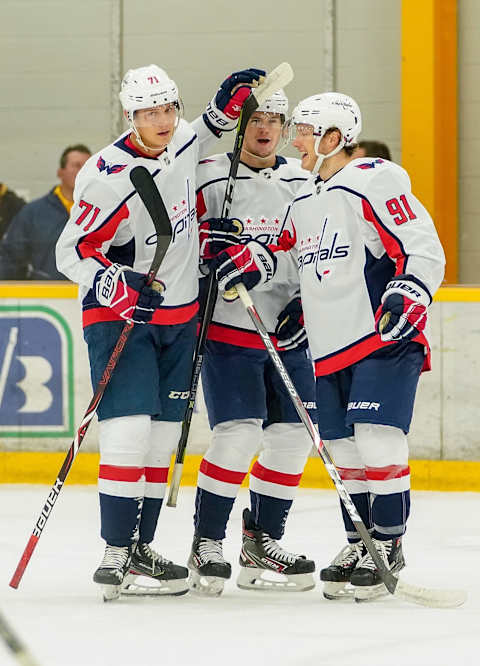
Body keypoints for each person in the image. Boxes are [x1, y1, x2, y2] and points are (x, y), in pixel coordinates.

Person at [209, 92, 445, 602]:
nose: (295, 140)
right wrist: (252, 263)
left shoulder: (374, 179)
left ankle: (388, 540)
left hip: (381, 336)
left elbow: (421, 243)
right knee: (343, 452)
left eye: (304, 131)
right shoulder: (307, 197)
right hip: (330, 346)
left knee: (378, 438)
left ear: (334, 138)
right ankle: (359, 542)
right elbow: (288, 256)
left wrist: (412, 290)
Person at [55, 63, 265, 600]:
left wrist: (230, 98)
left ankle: (142, 547)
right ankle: (114, 551)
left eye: (169, 108)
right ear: (131, 116)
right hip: (123, 315)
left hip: (180, 314)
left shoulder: (183, 138)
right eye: (151, 112)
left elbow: (211, 126)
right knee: (127, 430)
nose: (164, 120)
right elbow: (70, 251)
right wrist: (115, 284)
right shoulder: (106, 173)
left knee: (164, 437)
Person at [188, 90, 316, 596]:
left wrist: (306, 303)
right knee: (237, 435)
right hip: (228, 328)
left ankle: (262, 540)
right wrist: (205, 247)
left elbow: (315, 248)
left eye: (273, 119)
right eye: (253, 117)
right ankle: (206, 543)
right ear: (239, 123)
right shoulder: (207, 173)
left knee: (293, 438)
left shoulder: (301, 181)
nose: (264, 127)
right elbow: (179, 240)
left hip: (287, 331)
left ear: (285, 126)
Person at [0, 146, 91, 280]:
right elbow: (10, 258)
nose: (83, 171)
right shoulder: (33, 213)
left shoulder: (106, 211)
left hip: (93, 295)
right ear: (60, 172)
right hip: (47, 296)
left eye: (87, 166)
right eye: (76, 165)